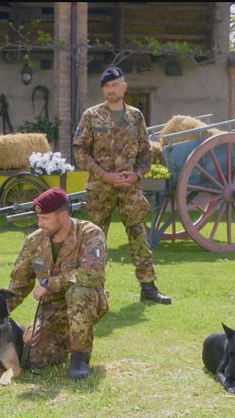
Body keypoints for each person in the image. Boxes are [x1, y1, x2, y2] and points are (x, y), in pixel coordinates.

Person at [72, 66, 172, 305]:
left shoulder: (136, 116)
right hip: (99, 188)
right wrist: (104, 175)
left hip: (130, 189)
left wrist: (137, 175)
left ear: (124, 87)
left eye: (115, 85)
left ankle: (148, 287)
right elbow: (79, 150)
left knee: (138, 235)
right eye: (107, 86)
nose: (111, 90)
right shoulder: (91, 115)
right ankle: (94, 288)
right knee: (95, 238)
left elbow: (145, 152)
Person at [5, 188, 110, 379]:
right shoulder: (35, 240)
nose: (39, 223)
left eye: (45, 218)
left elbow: (94, 274)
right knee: (31, 358)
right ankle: (64, 340)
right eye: (38, 218)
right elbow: (19, 283)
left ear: (63, 215)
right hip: (52, 309)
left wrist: (50, 284)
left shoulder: (89, 233)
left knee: (78, 292)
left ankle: (79, 358)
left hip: (85, 303)